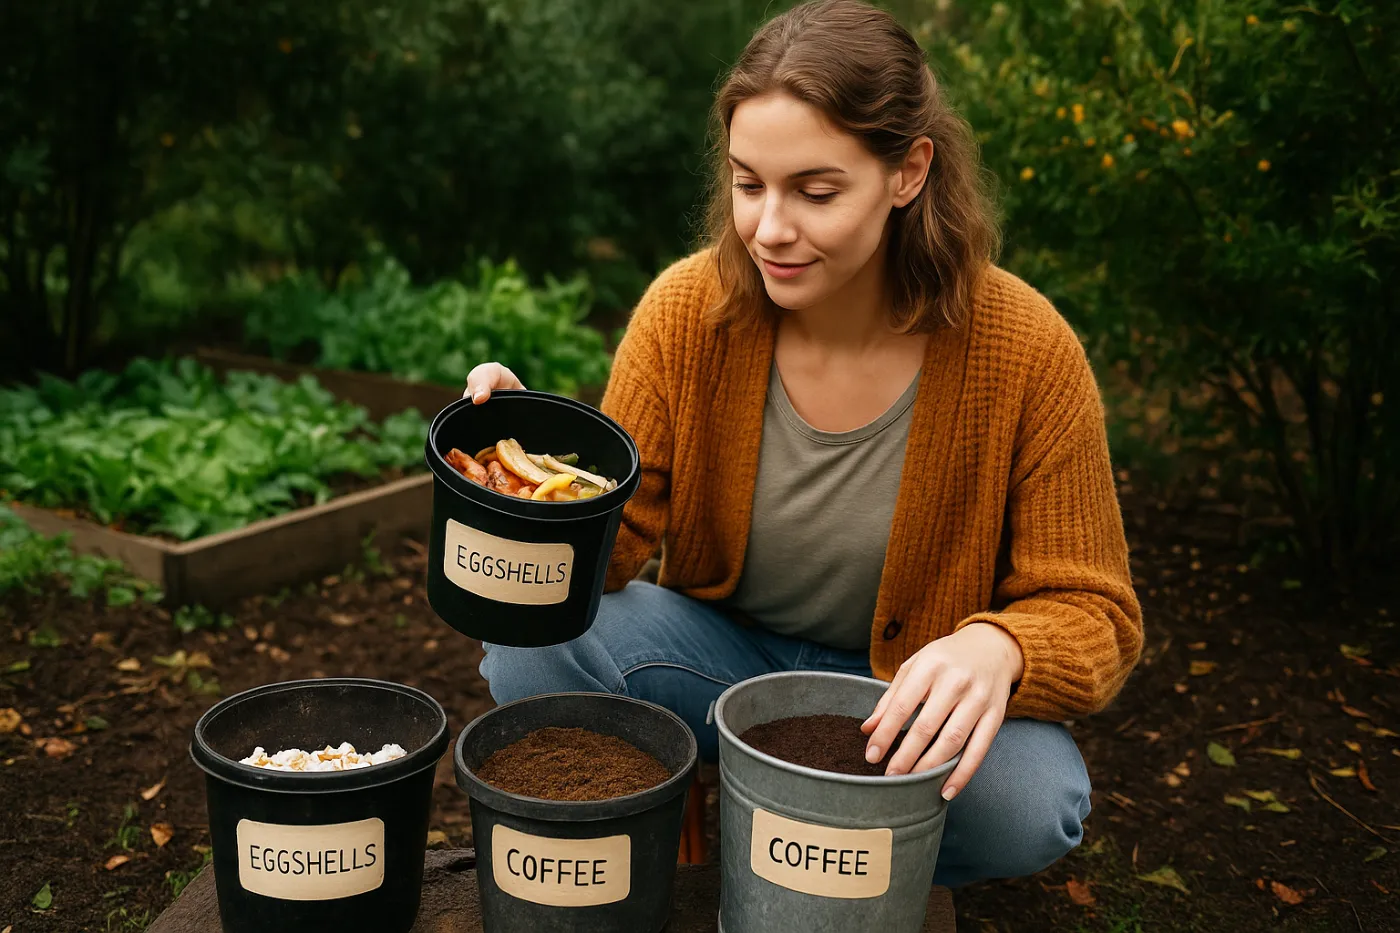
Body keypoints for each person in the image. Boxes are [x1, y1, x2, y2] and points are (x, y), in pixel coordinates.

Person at [462, 0, 1142, 888]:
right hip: (717, 668)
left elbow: (1099, 612)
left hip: (897, 707)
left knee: (1033, 801)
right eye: (750, 185)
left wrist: (1000, 647)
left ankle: (779, 842)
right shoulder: (686, 312)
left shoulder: (1025, 348)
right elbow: (614, 546)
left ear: (908, 172)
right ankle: (813, 840)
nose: (770, 228)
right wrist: (531, 472)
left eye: (815, 192)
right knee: (531, 646)